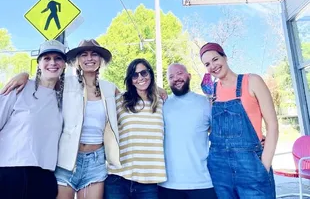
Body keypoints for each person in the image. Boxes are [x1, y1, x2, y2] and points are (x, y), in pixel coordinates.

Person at [0, 39, 120, 199]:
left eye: (95, 54)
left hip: (91, 162)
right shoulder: (64, 85)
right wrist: (23, 74)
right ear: (76, 61)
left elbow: (134, 96)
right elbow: (43, 81)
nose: (89, 58)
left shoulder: (109, 88)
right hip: (63, 159)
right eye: (84, 54)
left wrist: (154, 88)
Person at [199, 42, 279, 199]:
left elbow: (273, 125)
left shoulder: (252, 81)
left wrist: (265, 165)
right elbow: (212, 128)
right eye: (207, 64)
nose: (212, 66)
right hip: (219, 168)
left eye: (215, 59)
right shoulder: (212, 92)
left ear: (225, 57)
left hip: (251, 165)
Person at [0, 40, 66, 199]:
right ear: (38, 64)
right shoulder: (19, 88)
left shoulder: (66, 97)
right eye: (47, 58)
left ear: (64, 65)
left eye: (58, 58)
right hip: (13, 170)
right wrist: (23, 73)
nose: (52, 62)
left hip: (45, 176)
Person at [105, 58, 166, 199]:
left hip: (149, 180)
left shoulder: (162, 102)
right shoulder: (120, 100)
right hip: (118, 178)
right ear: (130, 80)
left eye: (144, 73)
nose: (140, 78)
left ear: (150, 74)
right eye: (134, 75)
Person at [158, 63, 217, 199]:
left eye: (179, 74)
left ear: (189, 76)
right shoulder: (162, 104)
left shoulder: (205, 103)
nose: (176, 78)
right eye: (171, 76)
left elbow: (221, 132)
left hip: (202, 182)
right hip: (167, 185)